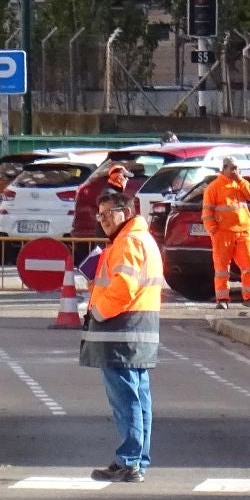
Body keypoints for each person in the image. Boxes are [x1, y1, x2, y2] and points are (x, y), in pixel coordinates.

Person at [81, 190, 162, 483]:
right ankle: (137, 461)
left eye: (108, 213)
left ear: (125, 213)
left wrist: (97, 312)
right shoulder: (142, 239)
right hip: (140, 329)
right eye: (100, 214)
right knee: (138, 398)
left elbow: (123, 288)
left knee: (126, 400)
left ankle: (129, 462)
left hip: (121, 332)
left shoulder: (128, 242)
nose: (103, 220)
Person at [200, 157, 250, 309]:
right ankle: (222, 299)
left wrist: (240, 179)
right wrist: (213, 230)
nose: (235, 171)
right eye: (233, 168)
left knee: (249, 265)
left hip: (244, 231)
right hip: (223, 233)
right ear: (224, 168)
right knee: (222, 268)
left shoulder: (241, 183)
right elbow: (207, 212)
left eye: (237, 168)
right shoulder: (214, 187)